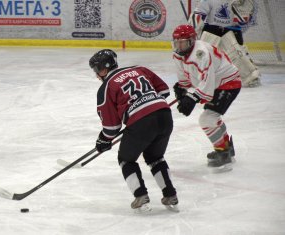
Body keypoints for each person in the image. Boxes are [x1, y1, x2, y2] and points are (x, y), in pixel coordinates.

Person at [89, 49, 178, 212]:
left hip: (141, 122)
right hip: (164, 115)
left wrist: (103, 139)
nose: (97, 75)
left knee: (126, 159)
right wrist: (147, 102)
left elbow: (111, 127)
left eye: (98, 70)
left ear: (105, 68)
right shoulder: (139, 69)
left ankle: (140, 195)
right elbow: (164, 91)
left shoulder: (106, 86)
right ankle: (170, 194)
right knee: (155, 157)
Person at [172, 24, 241, 171]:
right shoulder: (178, 54)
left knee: (207, 119)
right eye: (177, 42)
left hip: (228, 83)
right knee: (211, 118)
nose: (179, 45)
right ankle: (227, 147)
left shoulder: (201, 53)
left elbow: (207, 81)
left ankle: (223, 153)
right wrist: (182, 89)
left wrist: (192, 98)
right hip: (216, 84)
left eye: (182, 42)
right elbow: (186, 77)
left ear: (191, 41)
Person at [188, 0, 260, 87]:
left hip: (231, 31)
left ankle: (249, 76)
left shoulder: (242, 2)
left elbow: (243, 20)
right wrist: (192, 30)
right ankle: (197, 77)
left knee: (237, 56)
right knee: (202, 55)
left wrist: (237, 12)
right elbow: (197, 16)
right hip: (212, 31)